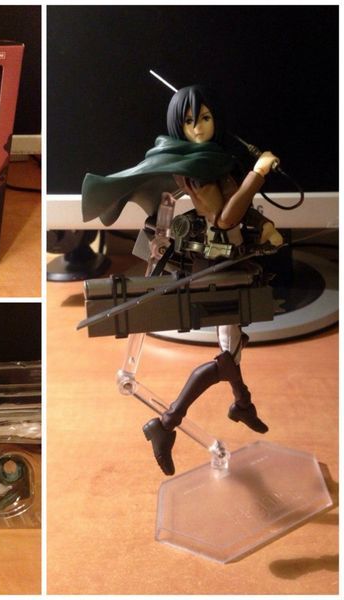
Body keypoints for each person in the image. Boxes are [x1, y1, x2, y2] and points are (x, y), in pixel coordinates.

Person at [82, 85, 284, 476]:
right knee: (227, 357)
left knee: (233, 345)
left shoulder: (216, 161)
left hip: (231, 262)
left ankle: (241, 404)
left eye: (204, 118)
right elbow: (225, 218)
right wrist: (257, 175)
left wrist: (263, 226)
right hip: (214, 267)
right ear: (179, 126)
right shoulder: (196, 171)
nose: (198, 128)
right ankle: (167, 422)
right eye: (189, 121)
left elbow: (240, 213)